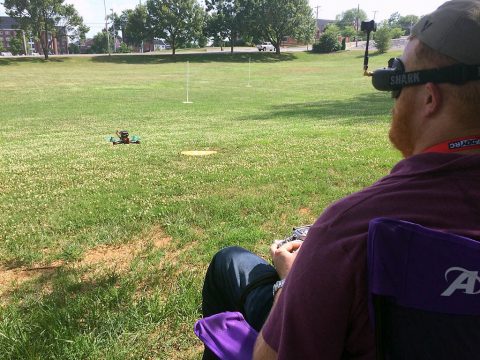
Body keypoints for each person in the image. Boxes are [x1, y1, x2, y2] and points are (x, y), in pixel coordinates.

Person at [201, 1, 480, 359]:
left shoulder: (350, 229)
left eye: (396, 79)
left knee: (229, 262)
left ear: (429, 97)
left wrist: (294, 280)